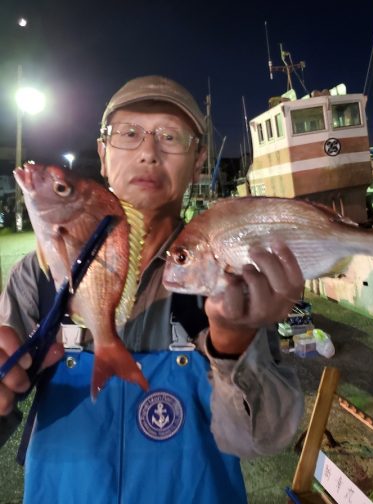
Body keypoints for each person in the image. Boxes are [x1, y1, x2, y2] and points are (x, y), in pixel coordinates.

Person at [0, 75, 305, 503]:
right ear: (103, 154)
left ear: (199, 160)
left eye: (170, 136)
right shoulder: (37, 277)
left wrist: (233, 349)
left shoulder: (228, 276)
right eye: (129, 134)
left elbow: (264, 439)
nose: (148, 152)